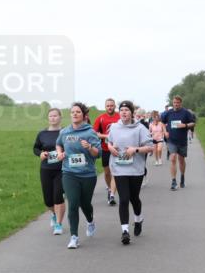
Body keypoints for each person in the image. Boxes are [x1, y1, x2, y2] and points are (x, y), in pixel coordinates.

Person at [56, 102, 101, 249]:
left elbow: (98, 153)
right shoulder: (64, 132)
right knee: (73, 204)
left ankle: (90, 220)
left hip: (87, 174)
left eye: (78, 112)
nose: (75, 114)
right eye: (72, 112)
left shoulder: (90, 132)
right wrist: (60, 154)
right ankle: (74, 237)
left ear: (84, 115)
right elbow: (58, 144)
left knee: (85, 204)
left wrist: (89, 147)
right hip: (69, 173)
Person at [107, 101, 152, 244]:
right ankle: (125, 231)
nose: (124, 112)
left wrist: (135, 149)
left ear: (132, 112)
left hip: (136, 169)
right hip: (119, 168)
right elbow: (109, 141)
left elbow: (150, 147)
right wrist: (110, 148)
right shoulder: (114, 127)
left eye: (126, 110)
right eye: (121, 110)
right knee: (124, 199)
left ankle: (138, 219)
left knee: (134, 198)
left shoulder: (140, 128)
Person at [33, 108, 66, 235]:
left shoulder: (65, 132)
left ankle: (58, 223)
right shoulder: (42, 134)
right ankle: (53, 214)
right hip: (46, 169)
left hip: (61, 169)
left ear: (60, 117)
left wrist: (63, 153)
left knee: (58, 196)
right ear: (48, 118)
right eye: (50, 116)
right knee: (48, 200)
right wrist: (40, 153)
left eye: (55, 116)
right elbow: (35, 148)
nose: (53, 118)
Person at [160, 95, 196, 190]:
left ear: (181, 103)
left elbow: (193, 123)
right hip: (171, 140)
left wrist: (184, 125)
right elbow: (162, 122)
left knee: (181, 160)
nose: (176, 104)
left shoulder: (186, 113)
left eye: (178, 103)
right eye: (174, 103)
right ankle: (173, 181)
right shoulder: (168, 113)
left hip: (182, 140)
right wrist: (165, 131)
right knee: (172, 158)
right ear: (173, 103)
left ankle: (182, 176)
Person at [92, 98, 120, 205]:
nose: (110, 107)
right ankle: (109, 189)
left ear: (114, 106)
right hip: (105, 149)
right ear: (105, 107)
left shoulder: (119, 117)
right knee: (107, 172)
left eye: (111, 105)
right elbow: (94, 133)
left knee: (116, 171)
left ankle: (112, 194)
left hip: (118, 149)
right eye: (108, 105)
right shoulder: (101, 118)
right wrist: (106, 136)